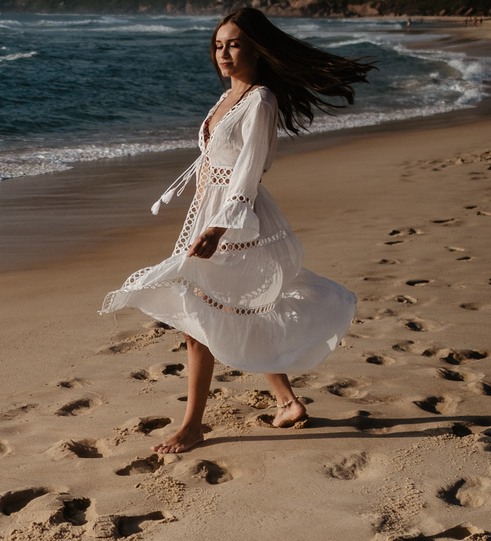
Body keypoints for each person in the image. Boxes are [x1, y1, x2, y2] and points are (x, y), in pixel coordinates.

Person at [101, 9, 374, 454]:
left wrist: (219, 226)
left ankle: (192, 427)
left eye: (234, 44)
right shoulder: (227, 98)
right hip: (211, 213)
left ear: (255, 49)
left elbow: (249, 170)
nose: (224, 52)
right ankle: (286, 402)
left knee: (201, 318)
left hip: (234, 221)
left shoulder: (261, 99)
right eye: (218, 45)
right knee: (236, 309)